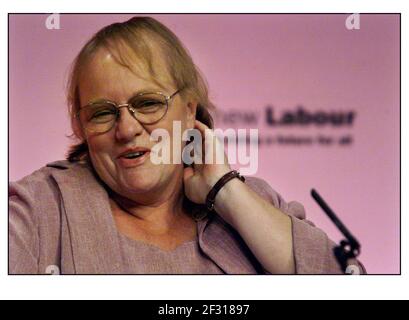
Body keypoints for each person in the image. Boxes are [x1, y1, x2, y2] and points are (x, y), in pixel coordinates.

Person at [9, 16, 364, 274]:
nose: (127, 129)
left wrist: (225, 193)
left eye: (148, 103)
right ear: (81, 126)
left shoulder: (253, 203)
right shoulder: (38, 209)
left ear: (190, 109)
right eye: (102, 113)